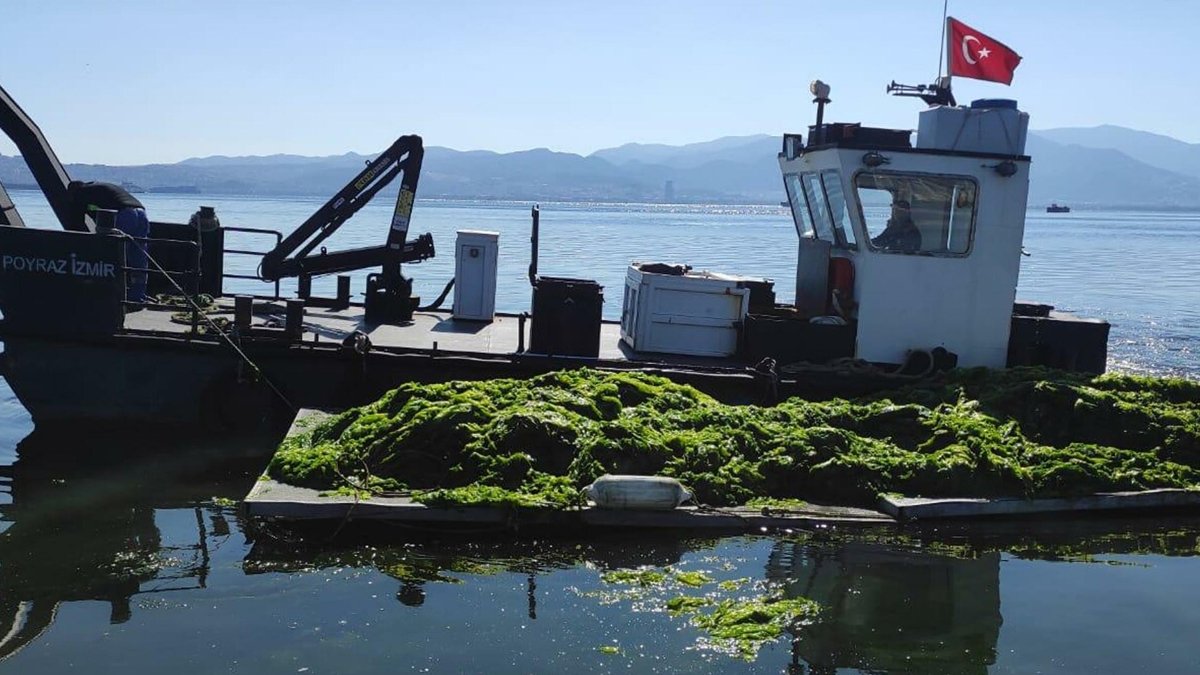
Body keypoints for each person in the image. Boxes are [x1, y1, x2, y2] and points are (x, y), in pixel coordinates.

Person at [66, 180, 150, 302]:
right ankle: (137, 295)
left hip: (123, 214)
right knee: (138, 255)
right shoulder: (96, 188)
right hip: (141, 213)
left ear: (73, 192)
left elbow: (75, 224)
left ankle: (111, 293)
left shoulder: (80, 194)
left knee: (113, 254)